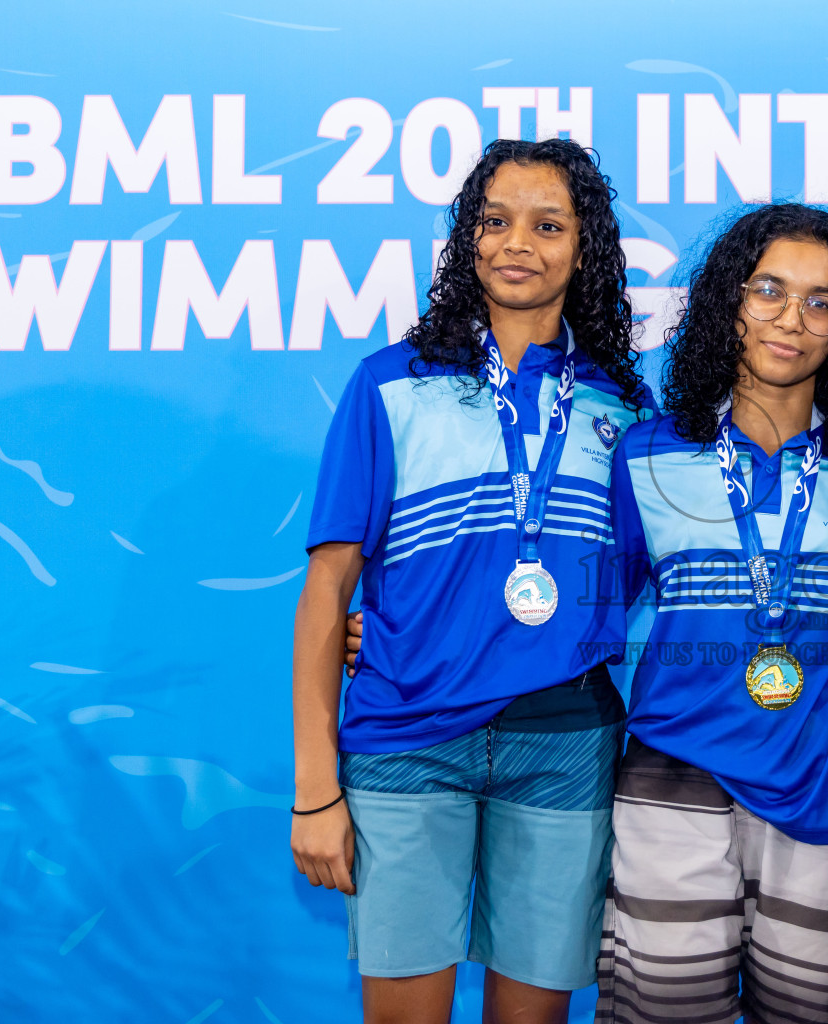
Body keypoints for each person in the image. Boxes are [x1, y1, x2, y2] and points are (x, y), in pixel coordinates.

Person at [290, 138, 650, 1024]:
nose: (516, 242)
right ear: (467, 239)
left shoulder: (621, 410)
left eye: (548, 224)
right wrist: (314, 787)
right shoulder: (389, 385)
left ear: (584, 247)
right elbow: (328, 591)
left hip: (566, 744)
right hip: (406, 745)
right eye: (494, 221)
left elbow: (637, 580)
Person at [592, 204, 828, 1024]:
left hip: (822, 784)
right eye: (769, 290)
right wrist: (401, 632)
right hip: (671, 781)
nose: (791, 319)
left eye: (819, 302)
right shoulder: (647, 453)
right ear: (729, 301)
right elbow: (586, 611)